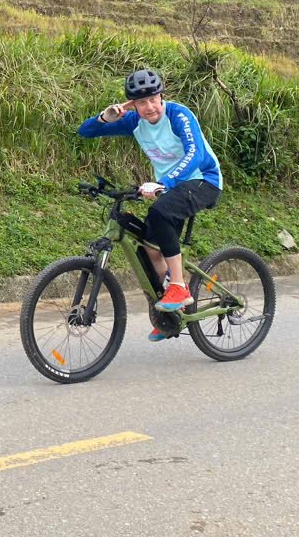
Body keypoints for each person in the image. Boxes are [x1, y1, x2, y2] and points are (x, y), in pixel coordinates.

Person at [77, 68, 222, 341]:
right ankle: (169, 316)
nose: (149, 107)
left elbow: (196, 154)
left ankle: (179, 286)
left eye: (153, 100)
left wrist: (164, 182)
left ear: (161, 96)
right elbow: (85, 132)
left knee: (160, 211)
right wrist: (106, 117)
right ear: (133, 105)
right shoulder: (133, 121)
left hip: (204, 181)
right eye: (141, 103)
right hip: (169, 189)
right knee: (149, 248)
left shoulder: (179, 114)